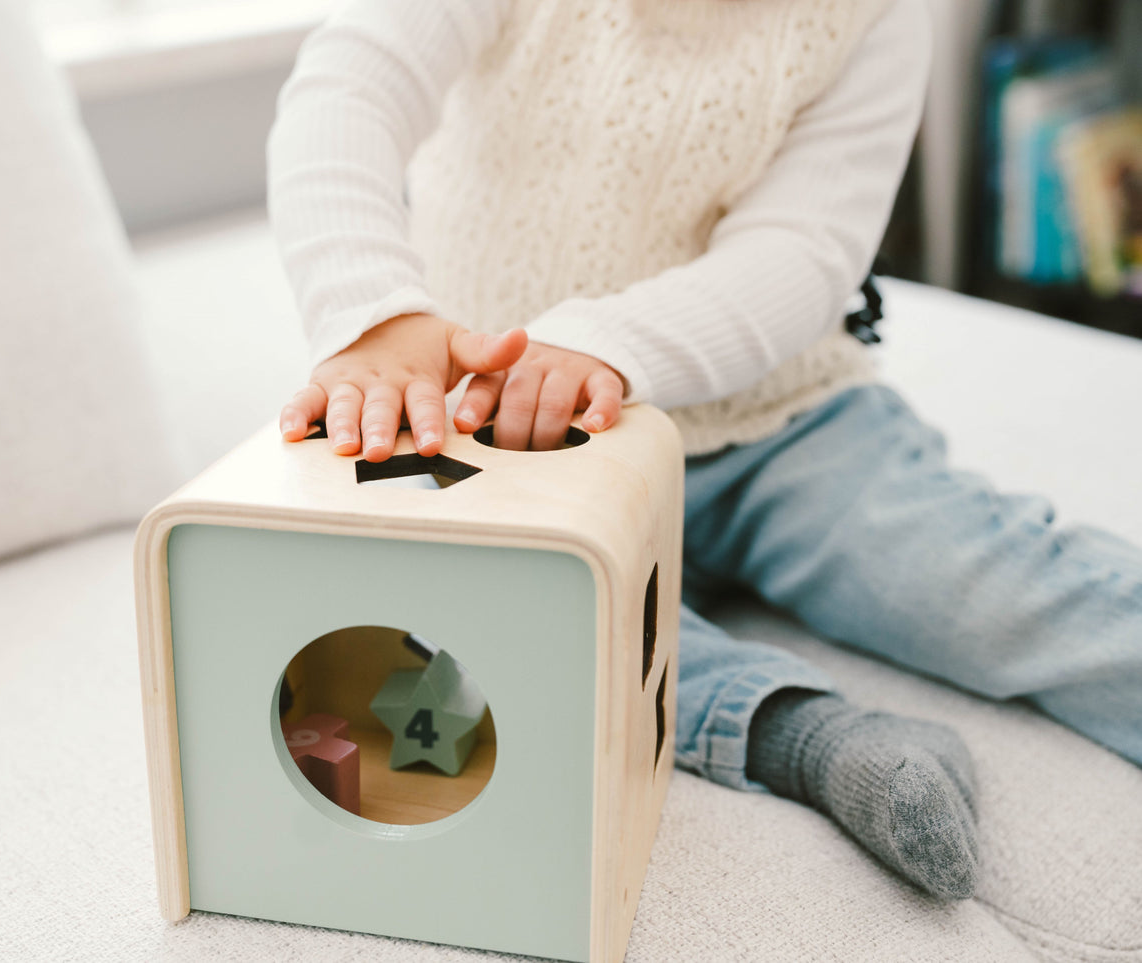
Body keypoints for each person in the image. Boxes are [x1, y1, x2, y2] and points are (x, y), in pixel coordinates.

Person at [265, 0, 1142, 900]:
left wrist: (604, 343)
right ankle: (808, 736)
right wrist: (372, 311)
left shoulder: (869, 17)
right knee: (532, 631)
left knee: (977, 574)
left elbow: (801, 250)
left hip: (783, 422)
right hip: (511, 440)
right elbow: (348, 91)